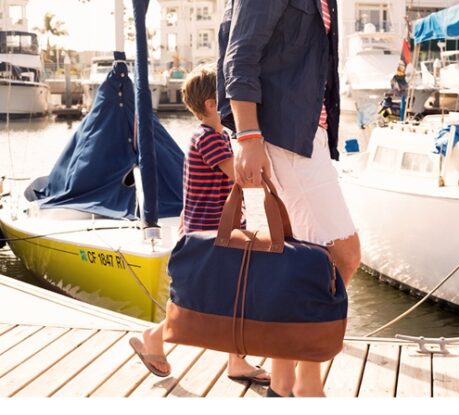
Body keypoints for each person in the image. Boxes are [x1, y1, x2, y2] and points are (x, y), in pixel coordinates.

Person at [218, 0, 361, 397]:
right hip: (282, 135)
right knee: (343, 255)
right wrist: (248, 137)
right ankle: (303, 382)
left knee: (307, 260)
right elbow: (240, 55)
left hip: (308, 134)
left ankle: (287, 381)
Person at [129, 65, 271, 386]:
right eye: (228, 99)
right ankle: (154, 338)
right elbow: (241, 177)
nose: (233, 105)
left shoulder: (212, 137)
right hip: (211, 236)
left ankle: (236, 360)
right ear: (211, 104)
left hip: (212, 232)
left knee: (229, 297)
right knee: (200, 302)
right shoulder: (210, 140)